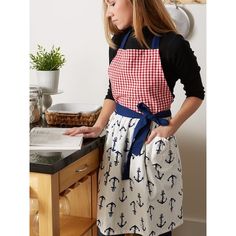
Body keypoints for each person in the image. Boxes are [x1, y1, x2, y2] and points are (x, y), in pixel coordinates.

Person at [65, 0, 205, 235]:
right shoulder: (117, 43)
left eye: (112, 4)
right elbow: (113, 93)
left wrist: (171, 127)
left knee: (154, 221)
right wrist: (98, 125)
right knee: (110, 221)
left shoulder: (173, 44)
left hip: (151, 137)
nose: (109, 13)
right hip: (117, 142)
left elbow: (196, 94)